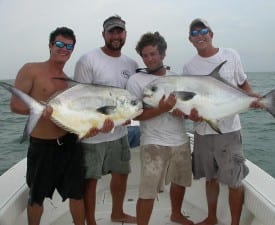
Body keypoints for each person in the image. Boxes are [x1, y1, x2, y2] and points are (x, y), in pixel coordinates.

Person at [183, 18, 261, 225]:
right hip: (203, 132)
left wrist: (252, 98)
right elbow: (190, 100)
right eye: (194, 33)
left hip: (229, 131)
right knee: (210, 178)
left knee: (234, 180)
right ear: (190, 40)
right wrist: (191, 114)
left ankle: (234, 223)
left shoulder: (231, 55)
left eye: (203, 31)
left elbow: (243, 83)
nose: (200, 36)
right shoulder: (189, 66)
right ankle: (211, 218)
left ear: (211, 34)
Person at [10, 27, 85, 225]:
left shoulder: (70, 82)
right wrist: (38, 111)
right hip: (42, 146)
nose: (64, 49)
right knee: (36, 197)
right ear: (50, 45)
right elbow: (15, 105)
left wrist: (92, 127)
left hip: (70, 143)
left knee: (77, 194)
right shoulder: (31, 69)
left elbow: (76, 118)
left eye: (69, 46)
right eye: (59, 44)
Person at [74, 15, 138, 225]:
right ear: (104, 34)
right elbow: (79, 99)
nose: (116, 36)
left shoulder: (131, 63)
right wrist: (91, 125)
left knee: (121, 173)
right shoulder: (88, 60)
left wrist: (128, 116)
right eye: (111, 32)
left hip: (119, 133)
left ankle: (117, 213)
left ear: (125, 34)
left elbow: (131, 99)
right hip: (93, 136)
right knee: (90, 180)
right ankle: (90, 221)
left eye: (119, 31)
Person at [126, 32, 194, 225]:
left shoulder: (176, 78)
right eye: (145, 55)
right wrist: (162, 109)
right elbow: (135, 115)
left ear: (163, 54)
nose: (149, 59)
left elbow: (187, 110)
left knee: (180, 181)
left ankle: (176, 214)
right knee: (148, 190)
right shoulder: (136, 81)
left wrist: (187, 114)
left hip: (180, 138)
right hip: (153, 142)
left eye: (153, 54)